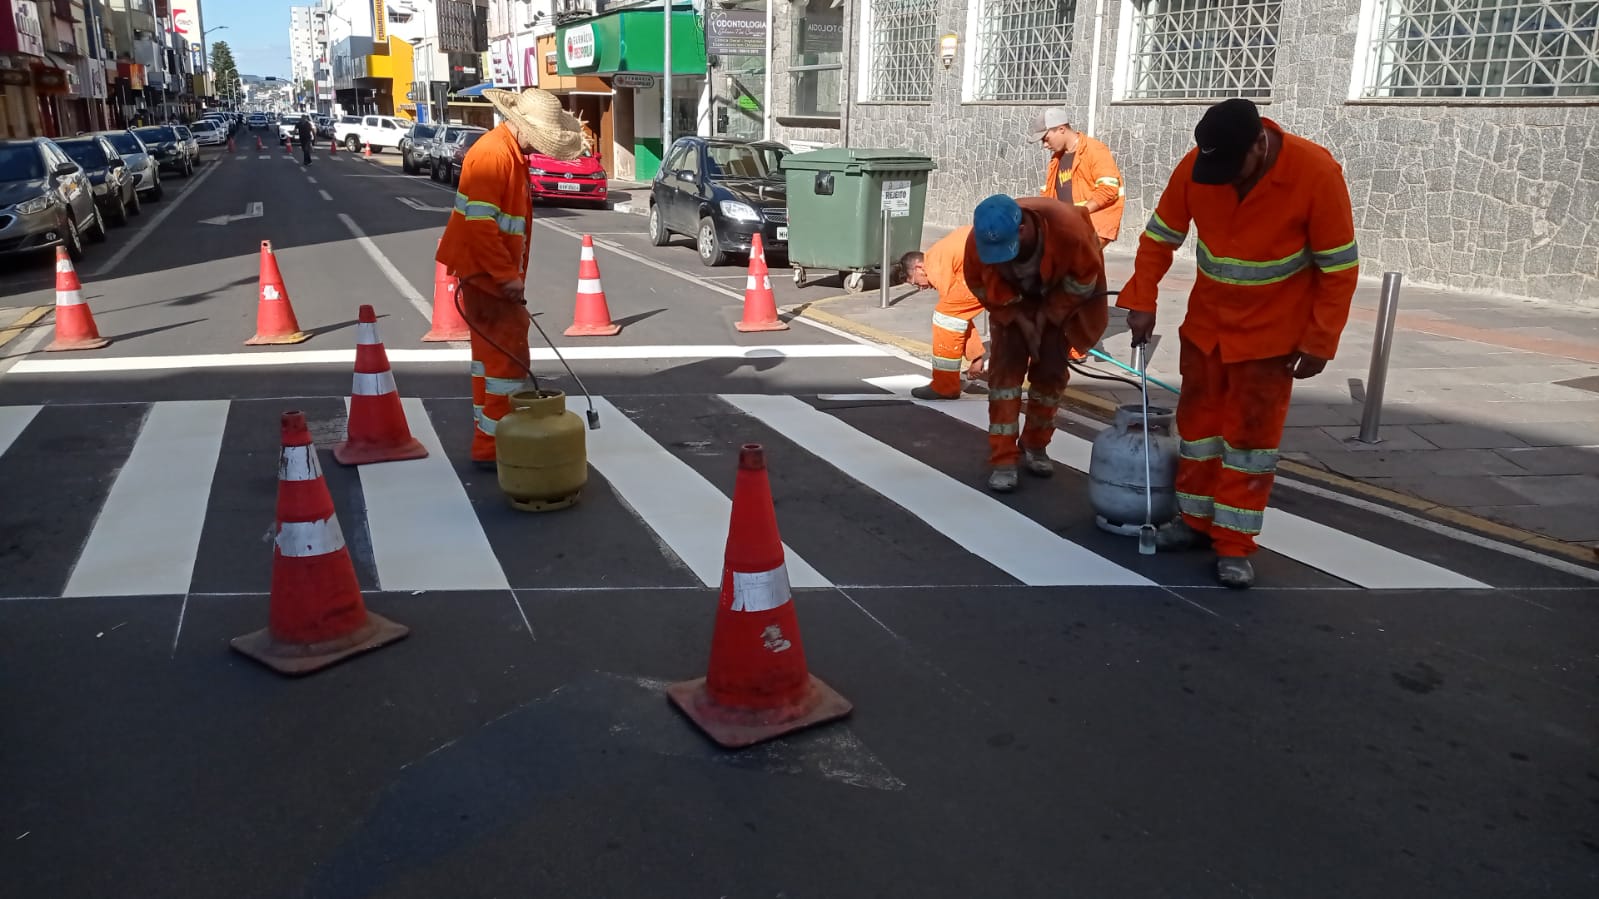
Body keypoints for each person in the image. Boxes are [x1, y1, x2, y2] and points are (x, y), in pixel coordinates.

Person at [1117, 97, 1359, 589]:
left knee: (1249, 444)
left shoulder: (1315, 173)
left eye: (1231, 167)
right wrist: (1142, 297)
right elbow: (1160, 237)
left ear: (1258, 144)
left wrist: (1320, 339)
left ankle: (1234, 544)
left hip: (1271, 339)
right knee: (1200, 434)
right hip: (1207, 330)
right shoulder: (1201, 164)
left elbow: (1338, 268)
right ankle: (1193, 521)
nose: (1221, 177)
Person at [436, 87, 587, 467]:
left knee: (489, 362)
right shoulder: (492, 156)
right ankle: (497, 445)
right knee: (507, 362)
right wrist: (507, 277)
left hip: (484, 275)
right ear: (523, 129)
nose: (540, 150)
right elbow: (481, 225)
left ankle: (489, 441)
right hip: (486, 277)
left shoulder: (508, 153)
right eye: (539, 142)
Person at [963, 195, 1109, 493]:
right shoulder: (978, 241)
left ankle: (1036, 445)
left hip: (1059, 298)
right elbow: (978, 283)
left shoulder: (1068, 230)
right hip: (1011, 301)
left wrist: (1051, 316)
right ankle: (1004, 458)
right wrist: (1013, 314)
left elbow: (1084, 281)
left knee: (1051, 375)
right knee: (1004, 378)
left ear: (1022, 230)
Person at [895, 225, 988, 400]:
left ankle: (945, 385)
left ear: (919, 267)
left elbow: (952, 318)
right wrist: (975, 356)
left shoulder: (935, 264)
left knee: (945, 316)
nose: (921, 288)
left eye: (916, 283)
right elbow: (960, 314)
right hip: (1004, 259)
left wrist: (976, 357)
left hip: (994, 267)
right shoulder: (941, 253)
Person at [1030, 108, 1125, 250]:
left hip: (1093, 225)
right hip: (1069, 226)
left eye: (1046, 138)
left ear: (1061, 129)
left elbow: (1109, 189)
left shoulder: (1095, 150)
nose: (1044, 144)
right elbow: (1049, 194)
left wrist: (1077, 214)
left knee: (1072, 264)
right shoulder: (1056, 159)